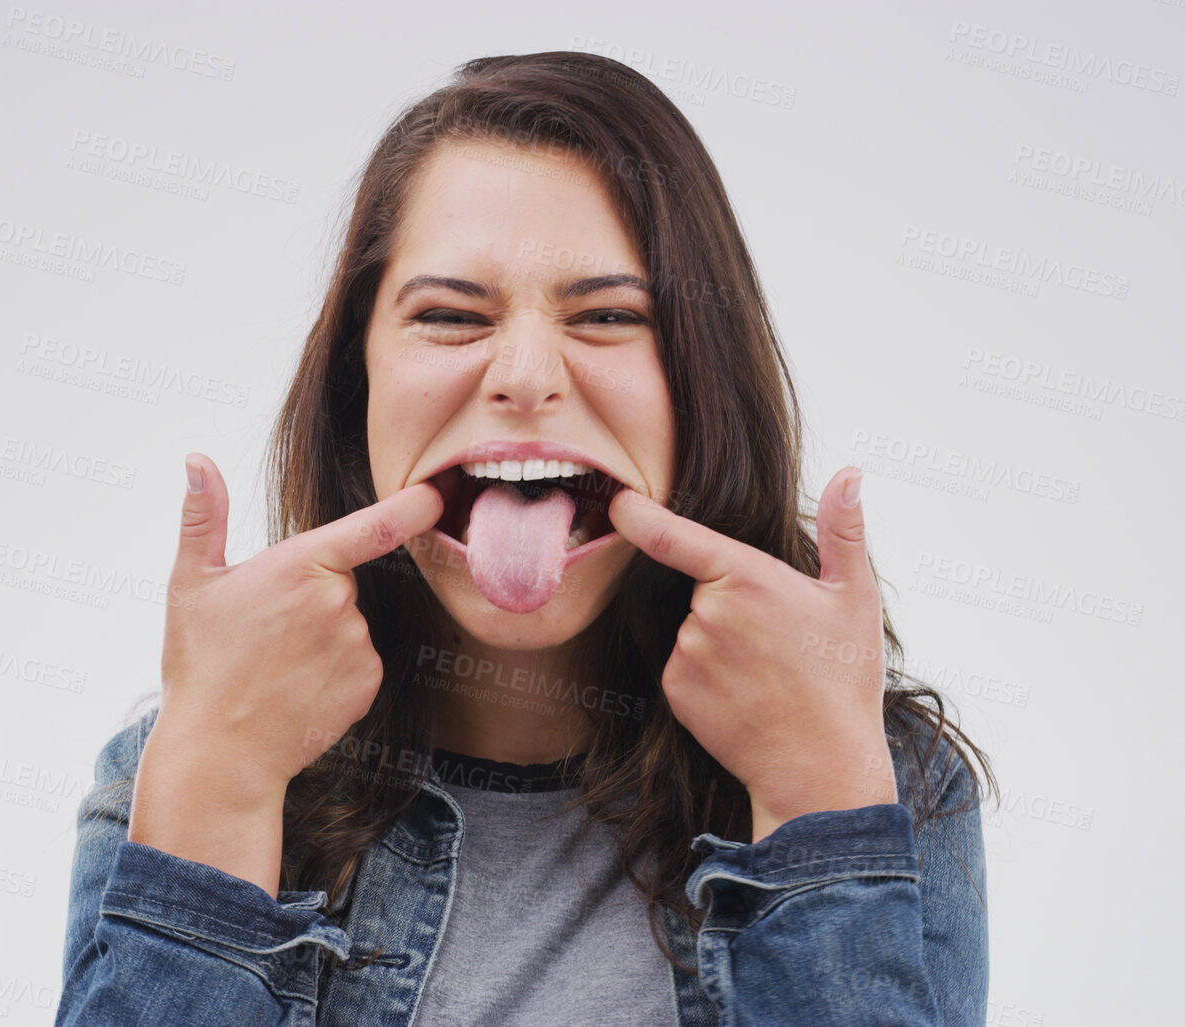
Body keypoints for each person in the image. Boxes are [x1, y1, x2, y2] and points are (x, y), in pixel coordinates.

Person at [56, 50, 993, 1027]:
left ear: (701, 386)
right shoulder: (173, 764)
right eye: (453, 316)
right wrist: (218, 780)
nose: (527, 375)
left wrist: (818, 793)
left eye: (609, 315)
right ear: (355, 384)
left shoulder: (889, 780)